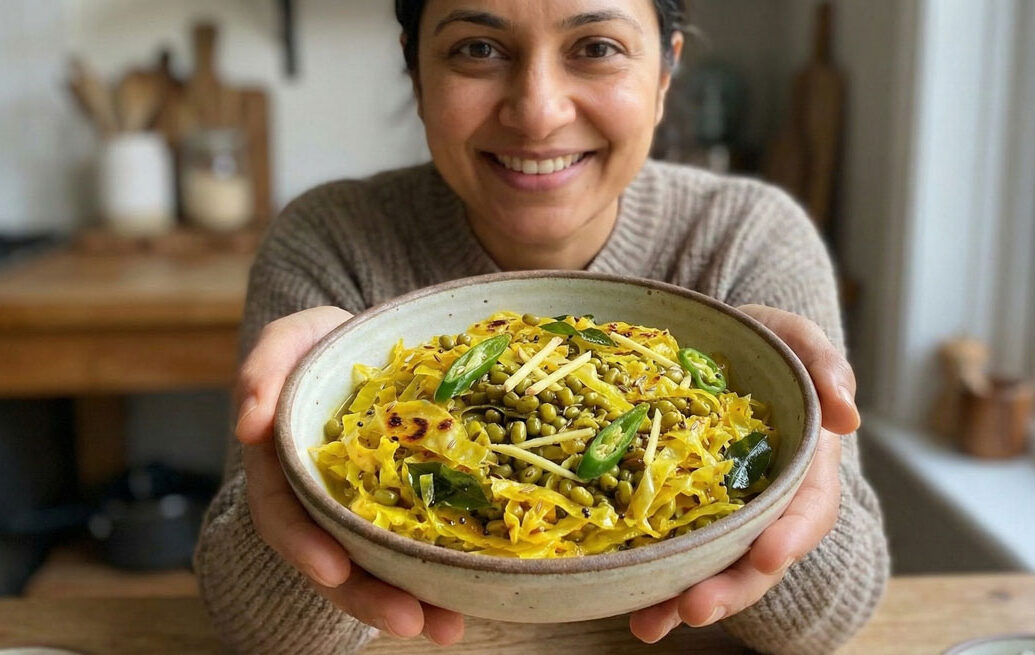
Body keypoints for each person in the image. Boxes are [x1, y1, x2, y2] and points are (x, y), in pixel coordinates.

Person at [194, 0, 889, 653]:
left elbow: (834, 618)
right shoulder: (330, 240)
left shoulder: (748, 237)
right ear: (416, 72)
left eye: (596, 48)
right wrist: (295, 470)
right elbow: (254, 628)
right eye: (477, 48)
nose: (538, 112)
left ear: (665, 74)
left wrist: (795, 460)